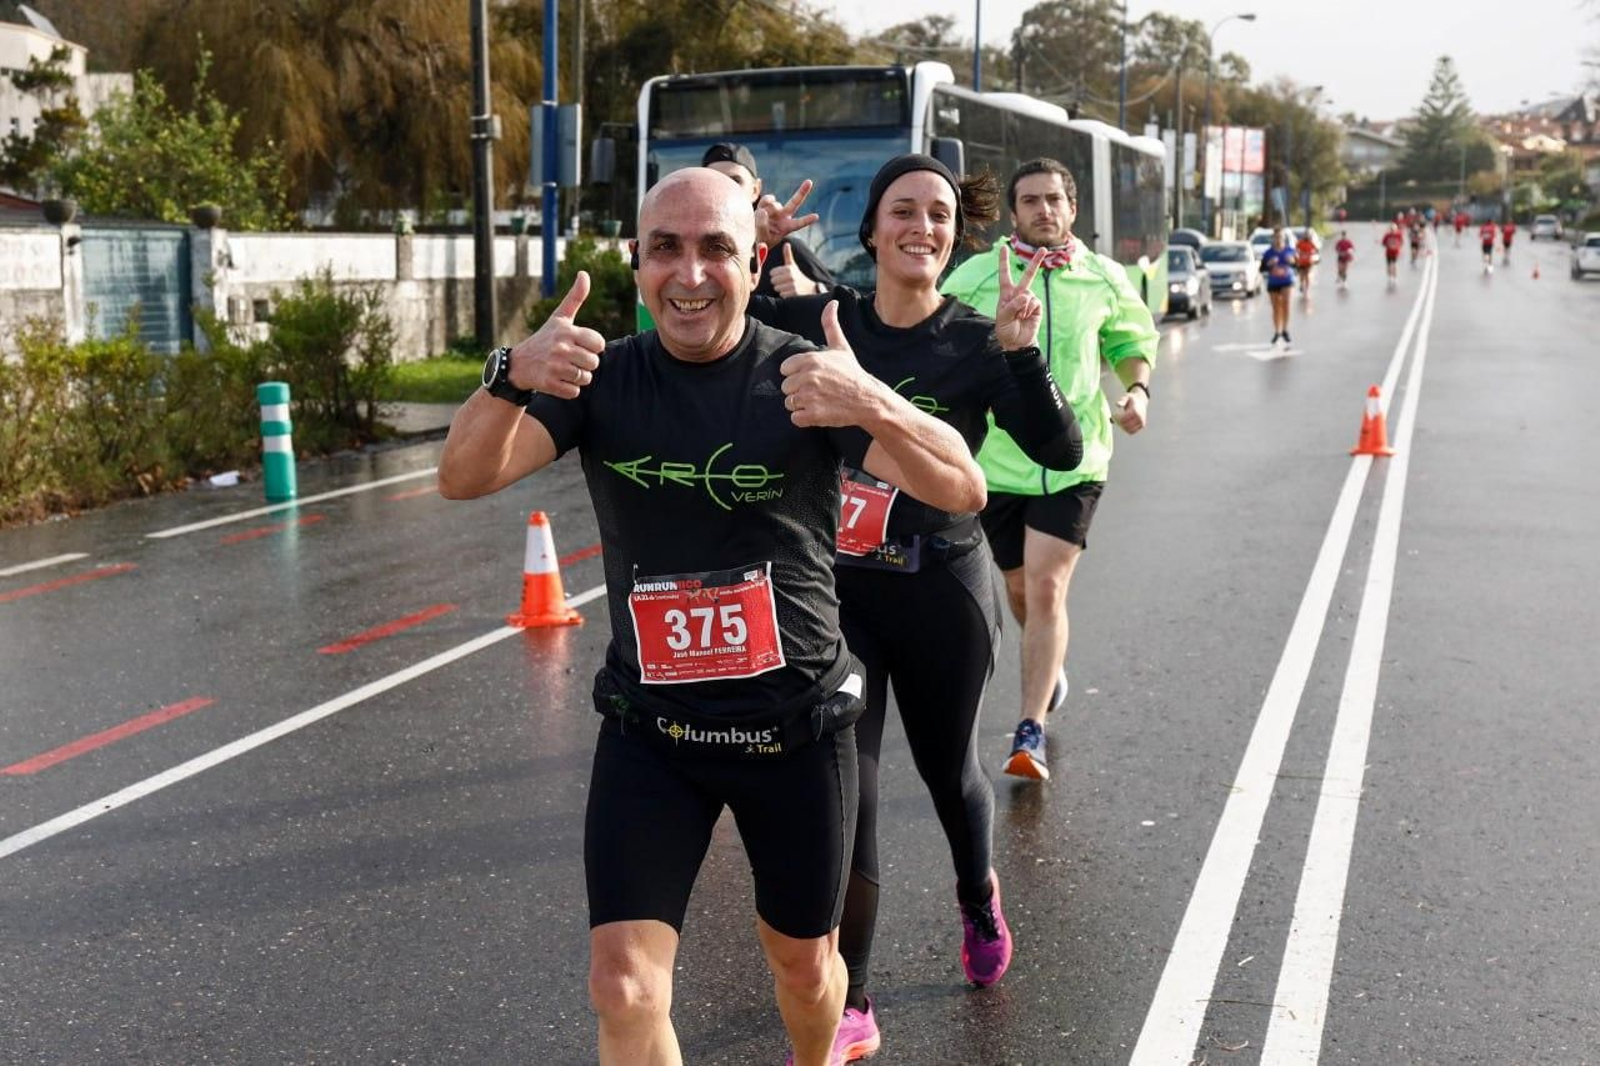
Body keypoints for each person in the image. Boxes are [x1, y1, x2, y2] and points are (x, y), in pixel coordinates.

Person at [436, 168, 986, 1066]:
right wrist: (509, 374)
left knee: (806, 973)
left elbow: (962, 487)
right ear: (636, 261)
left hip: (796, 732)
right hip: (652, 732)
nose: (690, 274)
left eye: (717, 249)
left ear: (755, 258)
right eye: (667, 249)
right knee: (622, 985)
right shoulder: (600, 380)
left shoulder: (804, 378)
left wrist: (873, 399)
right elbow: (462, 477)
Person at [747, 154, 1084, 1063]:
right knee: (847, 790)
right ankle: (854, 996)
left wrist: (1022, 356)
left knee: (948, 774)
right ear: (871, 232)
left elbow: (1059, 445)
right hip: (837, 598)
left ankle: (977, 892)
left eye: (939, 214)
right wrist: (755, 246)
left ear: (952, 235)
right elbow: (715, 330)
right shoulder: (818, 320)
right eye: (904, 210)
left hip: (943, 590)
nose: (922, 227)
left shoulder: (979, 339)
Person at [942, 157, 1158, 782]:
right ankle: (1050, 659)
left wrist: (1138, 392)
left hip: (1077, 461)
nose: (1043, 210)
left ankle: (1029, 728)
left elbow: (1129, 340)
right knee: (1018, 590)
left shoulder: (1103, 277)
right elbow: (939, 341)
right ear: (1014, 213)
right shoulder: (981, 276)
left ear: (1072, 209)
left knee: (1044, 587)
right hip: (999, 465)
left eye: (1054, 200)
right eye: (1030, 201)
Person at [701, 142, 836, 298]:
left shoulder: (785, 250)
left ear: (755, 189)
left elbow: (849, 313)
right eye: (716, 181)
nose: (727, 189)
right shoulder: (687, 248)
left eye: (736, 181)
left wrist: (813, 290)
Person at [1260, 227, 1297, 344]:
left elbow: (1298, 265)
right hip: (1273, 282)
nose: (1278, 239)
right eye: (1276, 237)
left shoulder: (1290, 250)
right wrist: (1269, 264)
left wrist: (1292, 261)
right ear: (1273, 239)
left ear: (1284, 238)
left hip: (1287, 280)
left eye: (1281, 237)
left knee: (1286, 305)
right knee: (1276, 308)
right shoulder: (1268, 252)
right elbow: (1262, 268)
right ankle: (1277, 331)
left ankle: (1285, 330)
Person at [1294, 228, 1318, 294]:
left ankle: (1307, 289)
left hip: (1309, 262)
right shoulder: (1300, 242)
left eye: (1307, 235)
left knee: (1307, 275)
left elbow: (1316, 250)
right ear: (1304, 235)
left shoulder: (1311, 242)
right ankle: (1301, 285)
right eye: (1305, 235)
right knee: (1301, 275)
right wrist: (1299, 253)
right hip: (1301, 261)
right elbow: (1296, 249)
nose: (1306, 236)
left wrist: (1311, 252)